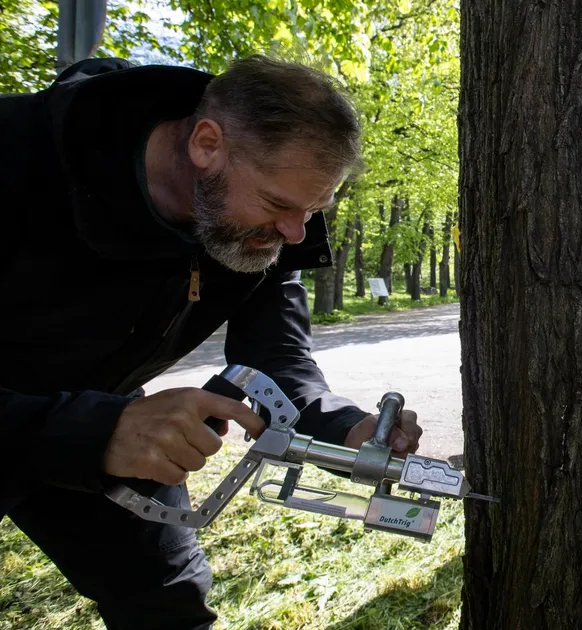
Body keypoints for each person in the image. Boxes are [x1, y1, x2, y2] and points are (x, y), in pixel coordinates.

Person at [0, 57, 424, 628]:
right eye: (278, 206)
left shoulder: (274, 220)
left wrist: (344, 428)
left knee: (165, 595)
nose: (295, 233)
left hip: (104, 419)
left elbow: (275, 358)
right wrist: (91, 430)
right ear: (206, 143)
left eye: (313, 211)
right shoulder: (16, 156)